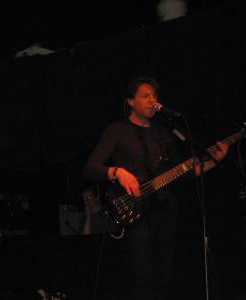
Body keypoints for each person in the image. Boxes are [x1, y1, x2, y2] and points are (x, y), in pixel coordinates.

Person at [82, 76, 228, 300]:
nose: (152, 100)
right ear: (130, 101)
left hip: (166, 209)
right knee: (144, 276)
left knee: (165, 274)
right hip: (135, 209)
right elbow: (90, 168)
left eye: (155, 96)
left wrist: (211, 161)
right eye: (145, 95)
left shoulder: (162, 133)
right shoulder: (117, 130)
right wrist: (117, 172)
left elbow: (182, 173)